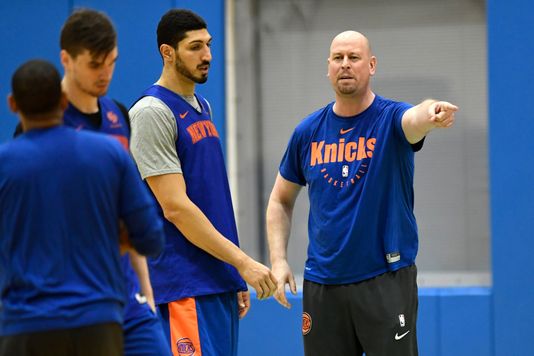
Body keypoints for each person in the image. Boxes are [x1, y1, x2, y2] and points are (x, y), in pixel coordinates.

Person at [266, 30, 458, 356]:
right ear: (328, 67)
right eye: (338, 58)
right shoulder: (307, 132)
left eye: (353, 58)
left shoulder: (391, 119)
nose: (345, 65)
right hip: (323, 283)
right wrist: (278, 259)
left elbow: (415, 117)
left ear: (371, 65)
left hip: (384, 279)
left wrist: (431, 112)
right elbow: (280, 199)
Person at [12, 9, 171, 356]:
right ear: (66, 60)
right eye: (95, 64)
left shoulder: (119, 115)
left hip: (126, 295)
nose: (105, 73)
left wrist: (148, 297)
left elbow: (135, 218)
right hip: (68, 301)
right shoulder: (39, 125)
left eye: (111, 62)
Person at [128, 9, 277, 356]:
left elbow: (211, 197)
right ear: (168, 52)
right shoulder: (152, 112)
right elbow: (176, 208)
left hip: (215, 282)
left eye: (208, 45)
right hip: (183, 285)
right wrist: (242, 262)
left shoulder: (202, 107)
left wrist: (231, 274)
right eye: (195, 47)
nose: (207, 55)